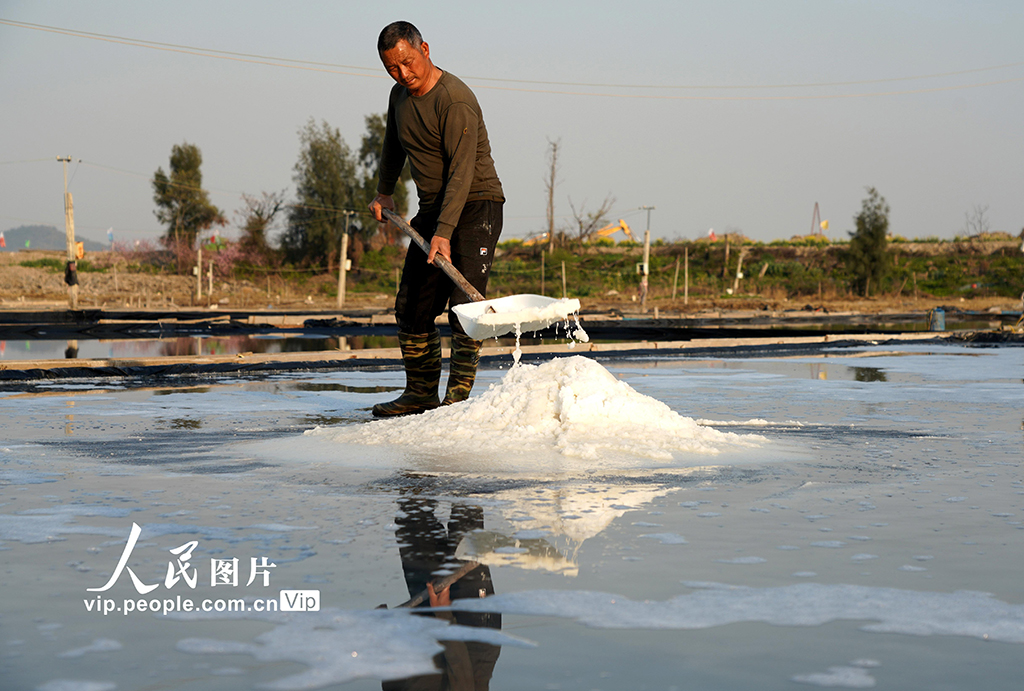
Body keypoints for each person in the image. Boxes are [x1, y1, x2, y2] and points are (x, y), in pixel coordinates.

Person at [368, 21, 504, 417]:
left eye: (408, 63)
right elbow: (392, 144)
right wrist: (384, 189)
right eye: (392, 68)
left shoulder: (454, 99)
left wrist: (444, 232)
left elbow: (462, 173)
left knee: (465, 310)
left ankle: (455, 404)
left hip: (477, 204)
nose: (403, 74)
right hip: (433, 209)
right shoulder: (399, 96)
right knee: (412, 305)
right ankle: (420, 395)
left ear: (424, 49)